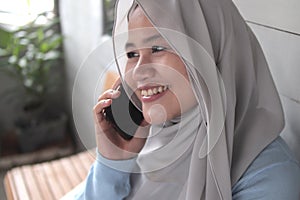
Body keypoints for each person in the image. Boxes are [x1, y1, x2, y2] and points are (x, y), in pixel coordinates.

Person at [70, 0, 300, 199]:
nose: (138, 71)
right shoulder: (152, 137)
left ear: (211, 52)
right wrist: (112, 163)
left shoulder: (268, 177)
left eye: (158, 48)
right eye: (132, 54)